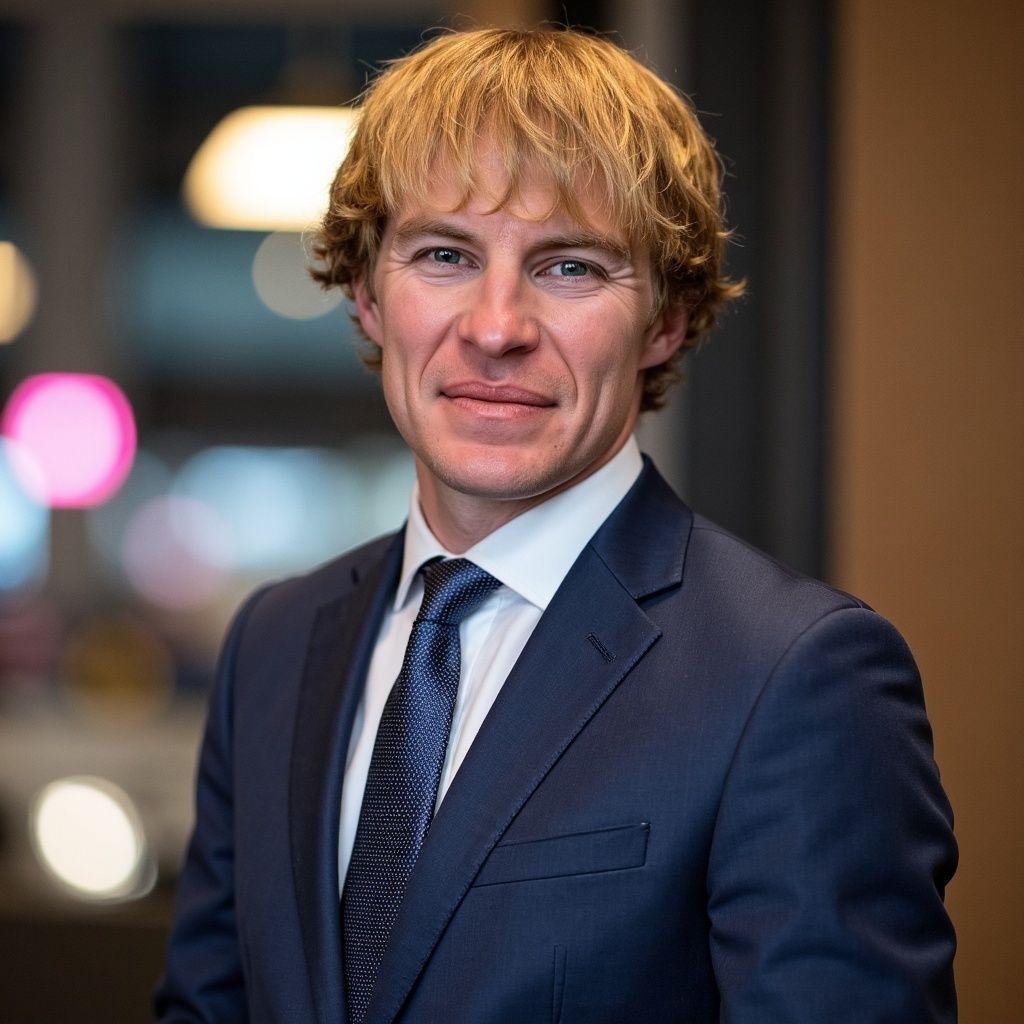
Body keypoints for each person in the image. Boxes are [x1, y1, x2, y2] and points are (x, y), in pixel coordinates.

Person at [155, 28, 957, 1023]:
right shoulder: (274, 643)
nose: (497, 326)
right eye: (444, 254)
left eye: (569, 267)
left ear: (665, 317)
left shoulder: (798, 677)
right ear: (367, 295)